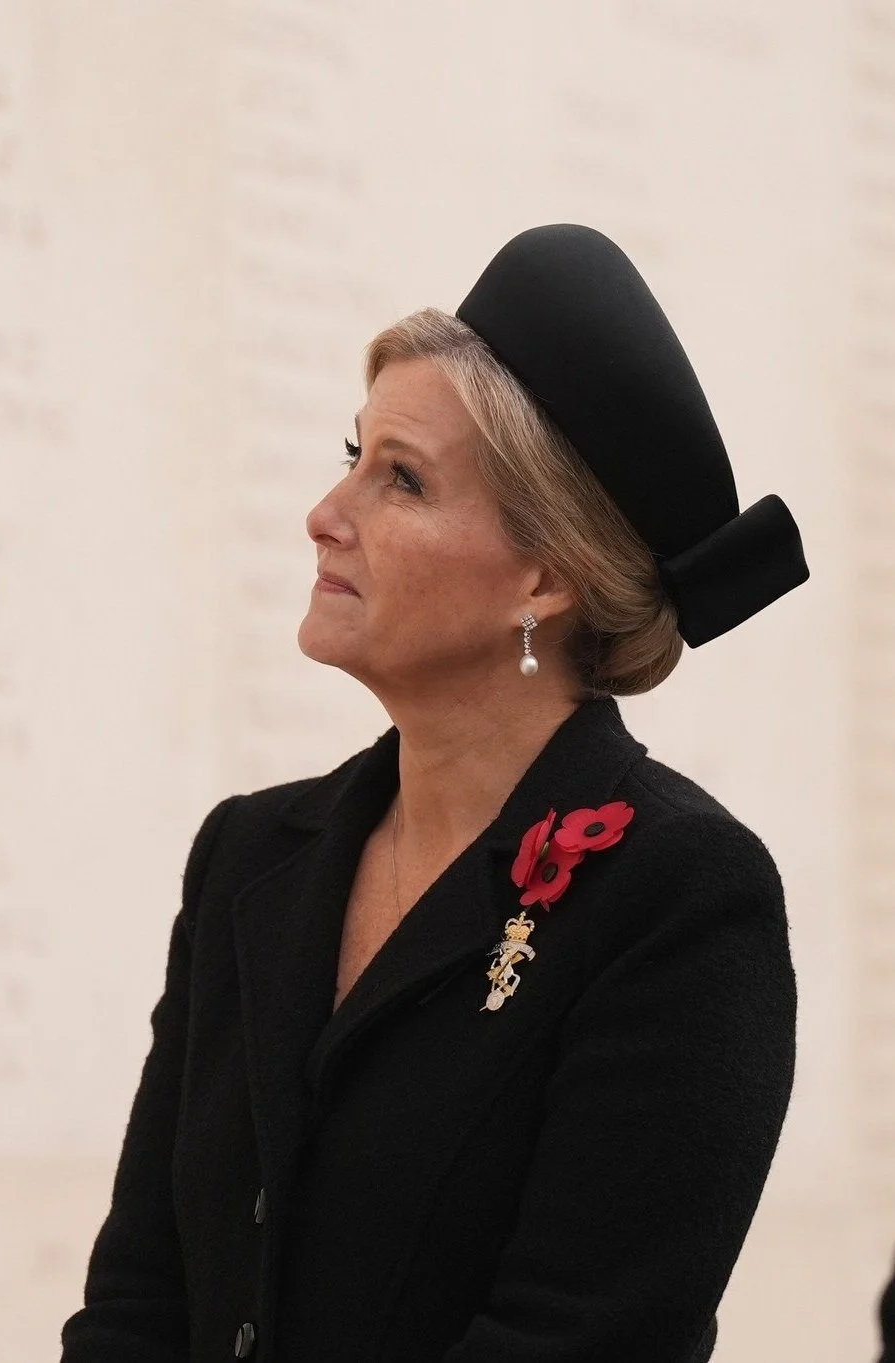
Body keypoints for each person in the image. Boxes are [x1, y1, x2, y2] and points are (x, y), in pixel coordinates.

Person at [58, 223, 810, 1363]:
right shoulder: (250, 855)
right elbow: (136, 1303)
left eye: (399, 478)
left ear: (542, 575)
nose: (326, 511)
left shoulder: (678, 894)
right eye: (350, 453)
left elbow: (583, 1337)